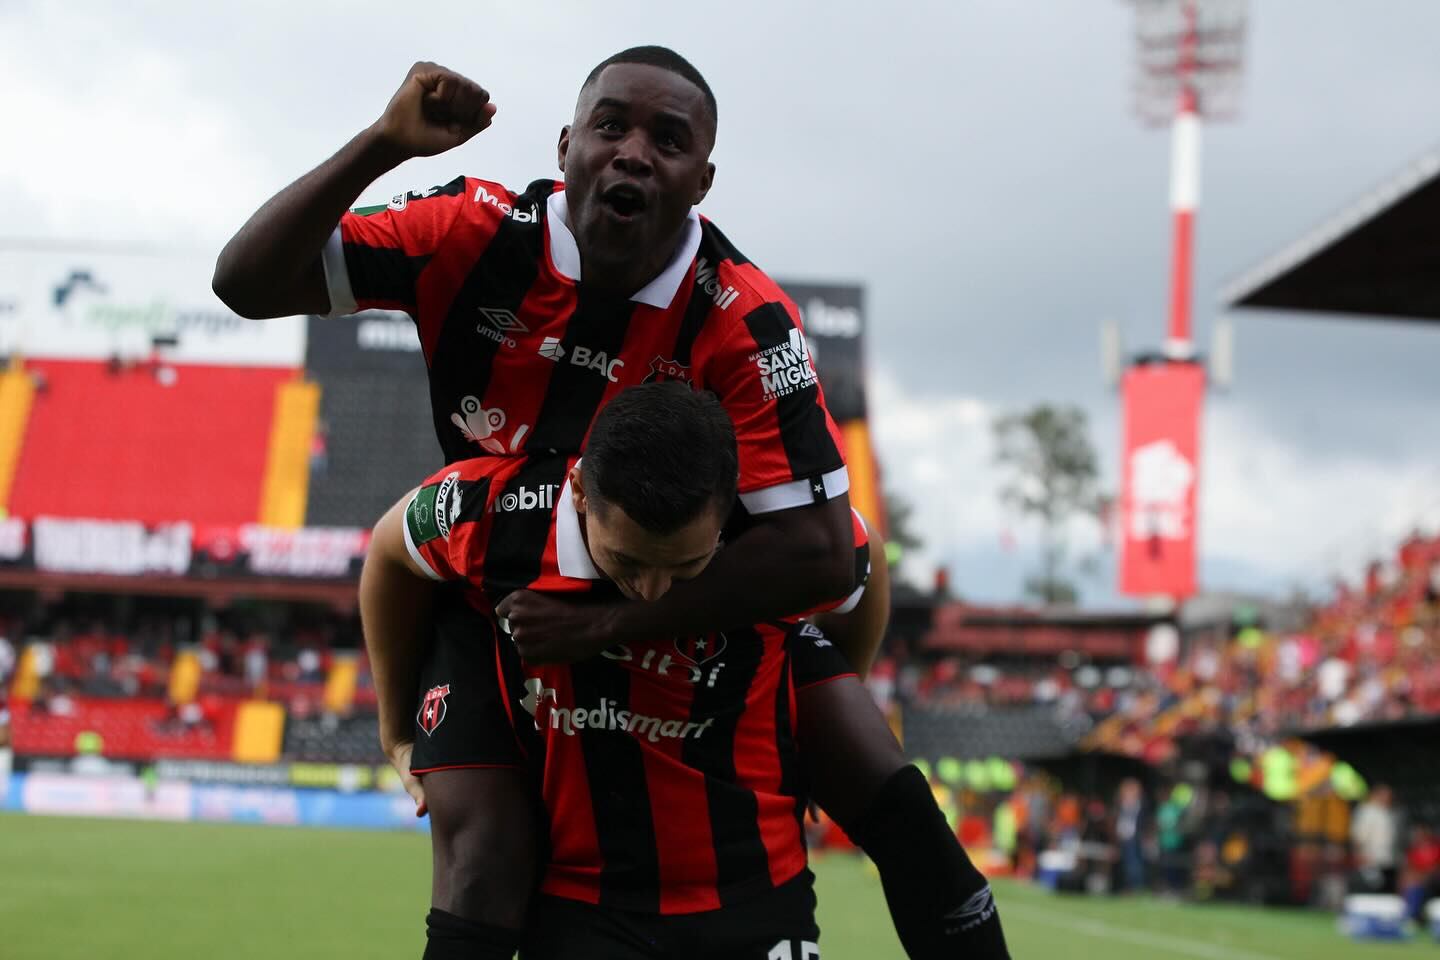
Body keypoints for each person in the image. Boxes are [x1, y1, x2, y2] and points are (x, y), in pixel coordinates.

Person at [214, 45, 859, 945]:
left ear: (702, 181)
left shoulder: (742, 317)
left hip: (668, 604)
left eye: (667, 140)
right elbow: (242, 283)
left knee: (882, 798)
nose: (634, 151)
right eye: (611, 126)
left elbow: (838, 552)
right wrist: (381, 145)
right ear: (566, 145)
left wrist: (629, 629)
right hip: (494, 596)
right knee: (487, 860)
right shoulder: (469, 230)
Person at [363, 384, 1009, 959]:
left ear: (728, 512)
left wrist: (828, 698)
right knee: (478, 871)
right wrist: (394, 731)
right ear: (582, 493)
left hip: (743, 853)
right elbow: (388, 552)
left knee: (920, 831)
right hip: (579, 854)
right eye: (627, 560)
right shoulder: (497, 511)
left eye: (685, 566)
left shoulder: (784, 537)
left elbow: (861, 577)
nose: (650, 590)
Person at [1351, 784, 1400, 893]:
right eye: (1385, 795)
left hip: (1388, 860)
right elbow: (1359, 836)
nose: (1388, 798)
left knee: (1387, 891)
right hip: (1371, 859)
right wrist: (1361, 854)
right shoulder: (1367, 811)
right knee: (1373, 890)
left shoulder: (1389, 812)